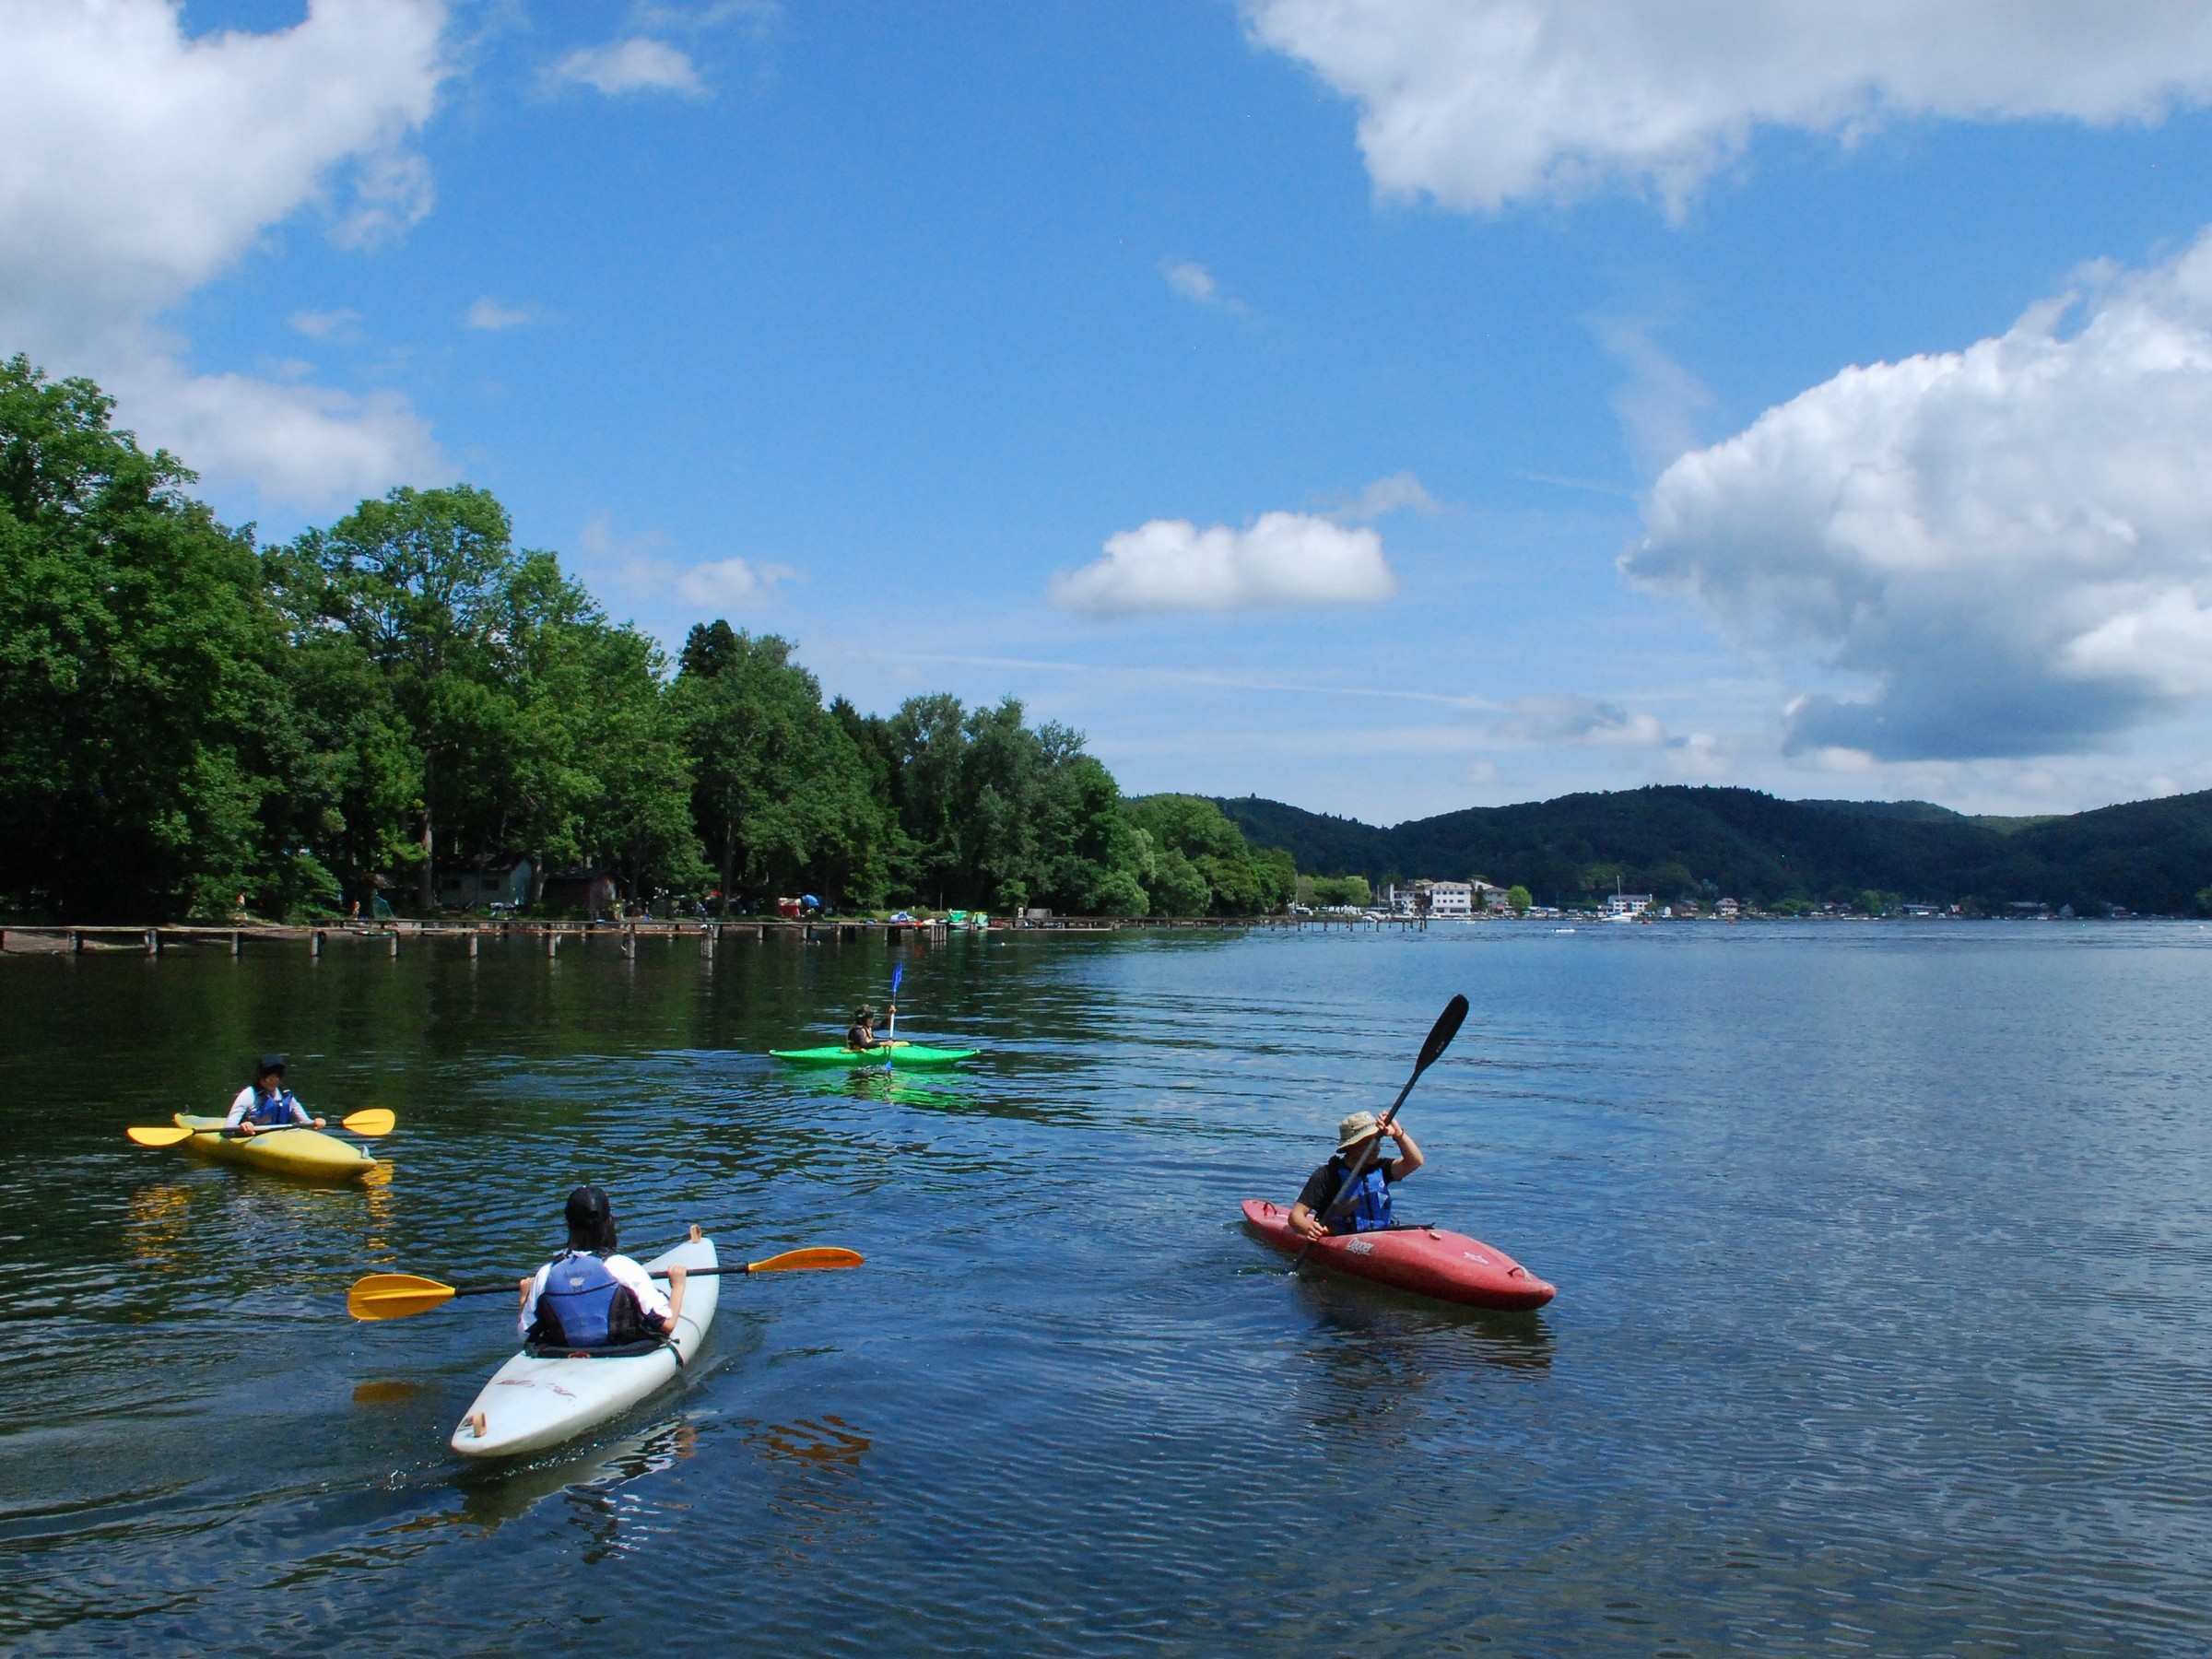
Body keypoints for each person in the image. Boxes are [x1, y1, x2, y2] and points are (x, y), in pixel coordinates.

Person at [516, 1185, 688, 1352]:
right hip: (619, 1352)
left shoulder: (546, 1274)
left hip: (564, 1353)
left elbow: (525, 1334)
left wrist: (525, 1297)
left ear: (568, 1224)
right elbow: (667, 1325)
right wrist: (678, 1286)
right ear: (610, 1221)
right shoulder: (623, 1267)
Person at [1288, 1110, 1425, 1240]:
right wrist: (1309, 1229)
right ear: (1351, 1146)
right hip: (1341, 1239)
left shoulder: (1382, 1169)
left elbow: (1415, 1161)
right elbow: (1296, 1216)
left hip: (1382, 1238)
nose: (1375, 1147)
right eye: (1368, 1142)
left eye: (1377, 1140)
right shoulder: (1327, 1175)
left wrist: (1398, 1134)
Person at [224, 1054, 324, 1136]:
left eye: (278, 1076)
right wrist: (243, 1127)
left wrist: (315, 1123)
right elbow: (228, 1130)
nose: (274, 1080)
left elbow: (305, 1122)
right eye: (270, 1076)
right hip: (252, 1136)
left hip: (281, 1138)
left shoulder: (285, 1095)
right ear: (261, 1076)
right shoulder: (248, 1095)